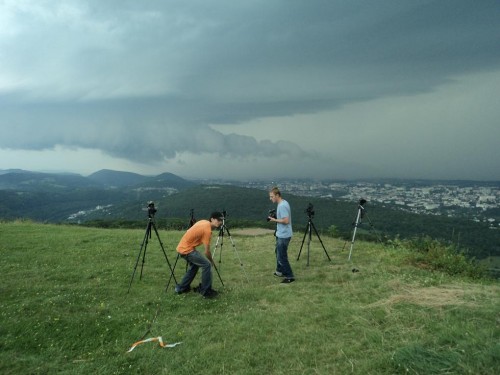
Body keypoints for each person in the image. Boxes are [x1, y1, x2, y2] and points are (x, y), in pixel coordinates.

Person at [174, 212, 223, 298]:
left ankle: (181, 288)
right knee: (207, 265)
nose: (220, 222)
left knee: (195, 266)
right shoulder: (207, 230)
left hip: (183, 247)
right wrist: (211, 261)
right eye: (218, 220)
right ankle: (206, 291)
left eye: (221, 220)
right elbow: (207, 252)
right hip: (186, 249)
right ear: (212, 219)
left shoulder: (203, 222)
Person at [268, 187, 295, 283]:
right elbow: (283, 218)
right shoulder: (283, 203)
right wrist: (276, 217)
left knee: (281, 256)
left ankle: (289, 276)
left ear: (277, 195)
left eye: (272, 196)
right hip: (281, 233)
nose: (270, 198)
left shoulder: (282, 206)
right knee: (278, 252)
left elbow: (286, 221)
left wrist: (274, 220)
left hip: (284, 235)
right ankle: (279, 271)